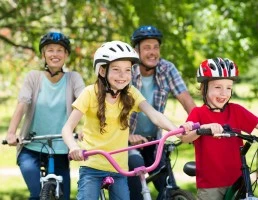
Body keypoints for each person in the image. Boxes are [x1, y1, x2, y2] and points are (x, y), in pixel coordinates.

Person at [61, 40, 185, 200]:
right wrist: (73, 147)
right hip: (92, 165)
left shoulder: (130, 93)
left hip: (119, 167)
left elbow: (154, 114)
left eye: (127, 70)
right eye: (116, 70)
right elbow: (67, 129)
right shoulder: (89, 93)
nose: (123, 75)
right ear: (102, 71)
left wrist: (175, 129)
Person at [179, 57, 258, 200]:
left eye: (228, 88)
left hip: (237, 180)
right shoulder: (198, 113)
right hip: (211, 184)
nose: (224, 93)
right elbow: (185, 137)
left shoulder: (236, 111)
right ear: (204, 88)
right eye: (218, 87)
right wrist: (202, 128)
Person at [5, 31, 85, 200]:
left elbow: (86, 103)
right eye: (50, 50)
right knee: (37, 194)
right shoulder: (34, 77)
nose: (55, 54)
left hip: (61, 149)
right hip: (30, 146)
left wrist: (87, 129)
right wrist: (12, 132)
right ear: (43, 54)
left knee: (62, 196)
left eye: (59, 50)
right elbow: (23, 103)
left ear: (66, 55)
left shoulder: (73, 78)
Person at [128, 25, 196, 200]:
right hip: (127, 142)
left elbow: (186, 100)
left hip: (155, 140)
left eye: (156, 47)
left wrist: (198, 127)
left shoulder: (167, 69)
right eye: (147, 48)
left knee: (168, 188)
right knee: (136, 189)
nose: (152, 52)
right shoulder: (126, 71)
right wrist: (128, 135)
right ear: (136, 51)